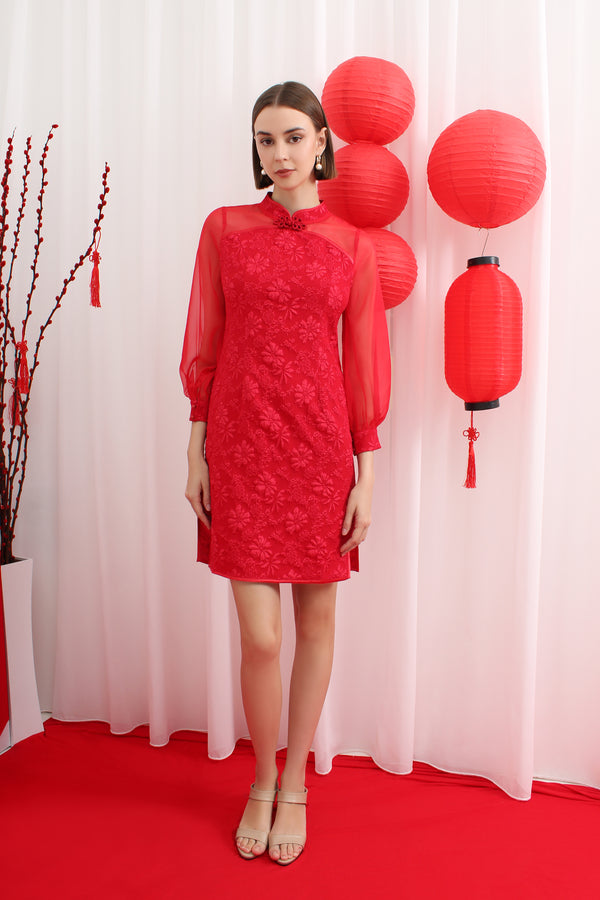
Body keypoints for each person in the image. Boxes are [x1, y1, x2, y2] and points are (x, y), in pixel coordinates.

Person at [180, 81, 391, 866]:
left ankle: (293, 782)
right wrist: (193, 447)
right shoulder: (224, 229)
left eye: (294, 137)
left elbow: (364, 366)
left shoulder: (353, 244)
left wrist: (366, 475)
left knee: (315, 623)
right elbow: (204, 339)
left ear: (323, 142)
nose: (279, 153)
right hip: (238, 441)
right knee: (261, 637)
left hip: (318, 448)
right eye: (266, 139)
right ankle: (260, 777)